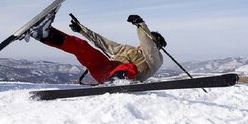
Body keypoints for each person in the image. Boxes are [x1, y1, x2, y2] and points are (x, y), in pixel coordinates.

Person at [29, 13, 166, 84]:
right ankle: (45, 34)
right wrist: (82, 30)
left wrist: (141, 25)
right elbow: (103, 43)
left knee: (129, 67)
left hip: (125, 77)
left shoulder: (156, 60)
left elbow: (149, 48)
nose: (143, 43)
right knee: (81, 46)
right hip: (103, 69)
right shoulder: (128, 49)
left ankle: (117, 83)